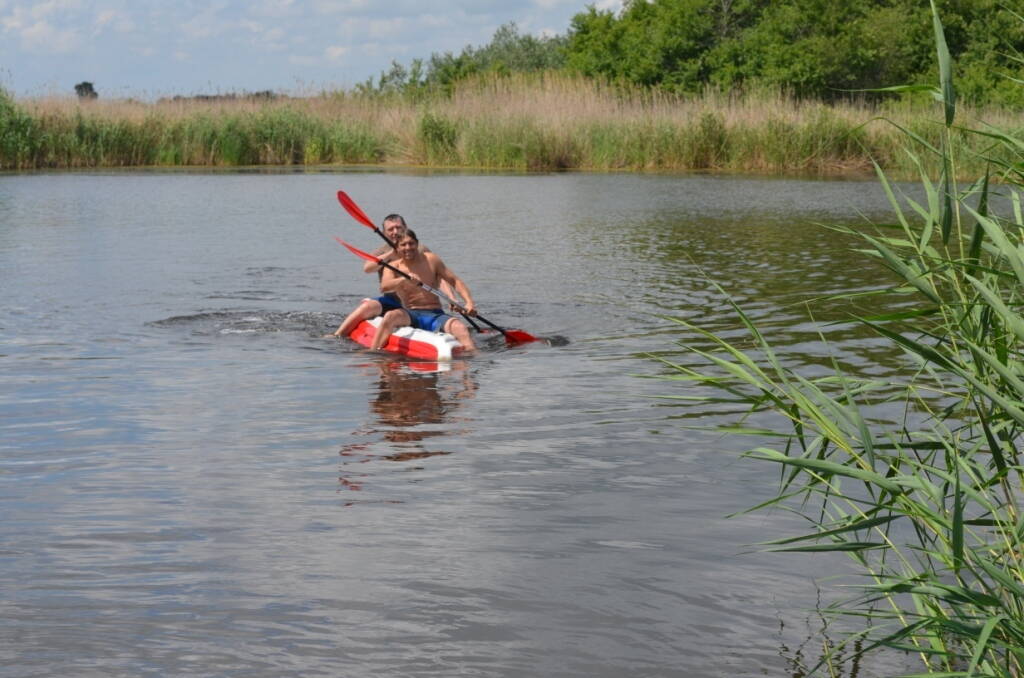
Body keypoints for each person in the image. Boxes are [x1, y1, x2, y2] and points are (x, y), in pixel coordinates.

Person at [331, 213, 453, 338]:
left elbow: (439, 276)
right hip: (392, 300)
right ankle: (338, 335)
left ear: (405, 227)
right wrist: (390, 254)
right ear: (384, 233)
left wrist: (450, 297)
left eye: (398, 227)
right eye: (390, 229)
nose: (395, 232)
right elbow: (367, 268)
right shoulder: (382, 251)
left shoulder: (419, 249)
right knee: (367, 307)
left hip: (418, 304)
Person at [371, 229, 477, 352]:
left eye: (411, 243)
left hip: (435, 314)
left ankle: (473, 357)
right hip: (411, 314)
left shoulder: (432, 260)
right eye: (403, 245)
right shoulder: (394, 267)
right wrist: (403, 279)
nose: (408, 247)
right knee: (390, 316)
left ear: (417, 243)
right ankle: (373, 353)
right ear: (397, 248)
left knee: (461, 328)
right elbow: (384, 287)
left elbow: (455, 281)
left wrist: (469, 303)